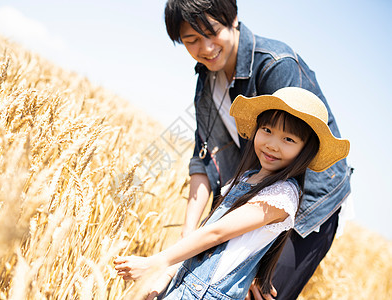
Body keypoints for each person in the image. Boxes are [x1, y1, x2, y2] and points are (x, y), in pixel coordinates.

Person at [162, 1, 353, 299]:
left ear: (233, 19)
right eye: (192, 40)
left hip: (302, 213)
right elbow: (203, 160)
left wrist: (259, 259)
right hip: (247, 202)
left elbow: (301, 170)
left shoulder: (276, 64)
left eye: (212, 33)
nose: (206, 47)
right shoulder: (206, 82)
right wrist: (187, 237)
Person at [114, 87, 350, 299]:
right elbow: (205, 234)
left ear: (305, 151)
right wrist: (166, 275)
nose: (272, 144)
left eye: (288, 139)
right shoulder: (247, 178)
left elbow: (217, 233)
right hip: (185, 284)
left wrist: (157, 262)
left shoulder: (282, 196)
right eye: (267, 129)